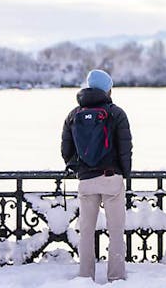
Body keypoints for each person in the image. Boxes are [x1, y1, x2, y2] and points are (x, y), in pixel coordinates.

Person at [61, 69, 132, 282]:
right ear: (108, 89)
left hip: (86, 180)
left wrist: (78, 169)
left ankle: (85, 276)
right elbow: (125, 148)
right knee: (116, 231)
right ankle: (116, 277)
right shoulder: (116, 113)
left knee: (86, 231)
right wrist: (124, 174)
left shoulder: (73, 114)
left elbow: (66, 150)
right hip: (111, 178)